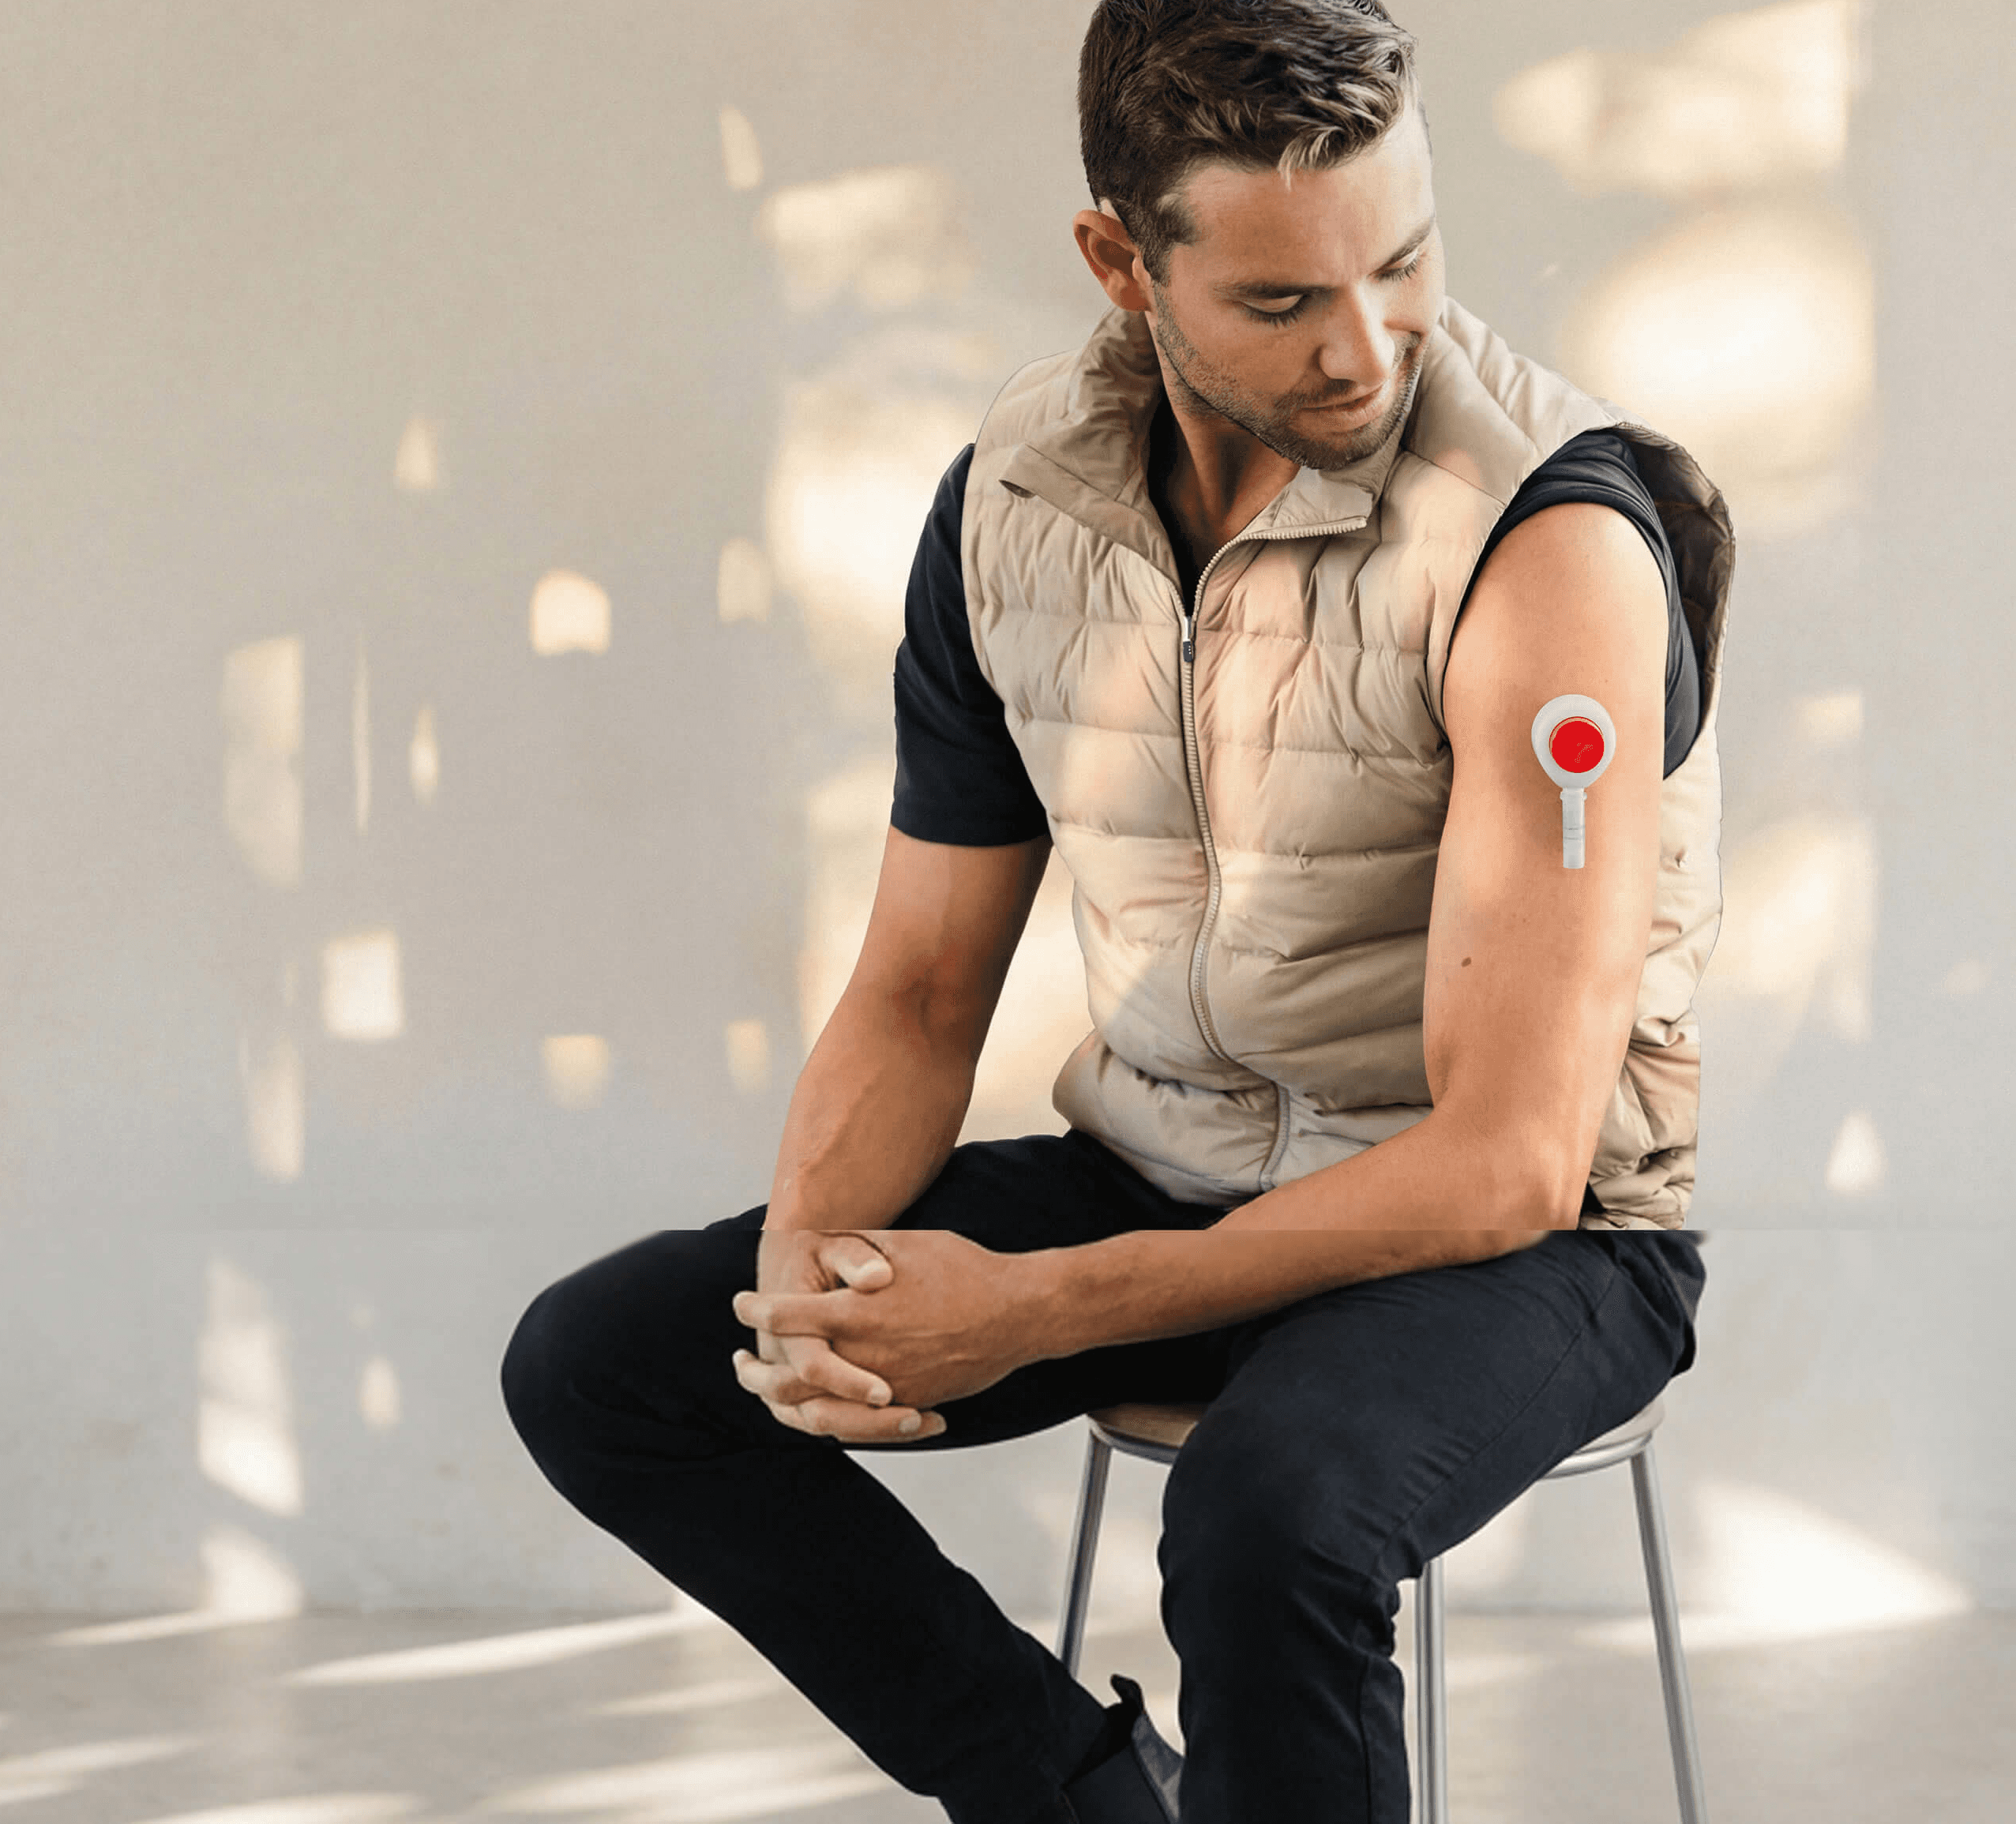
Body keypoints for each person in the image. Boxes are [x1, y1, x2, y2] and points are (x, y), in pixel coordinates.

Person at [502, 2, 1731, 1818]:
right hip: (1176, 1163)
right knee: (613, 1366)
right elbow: (923, 989)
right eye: (1280, 300)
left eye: (1403, 261)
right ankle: (1084, 1801)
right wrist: (806, 1296)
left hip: (1527, 1250)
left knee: (1267, 1517)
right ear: (1119, 263)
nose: (1367, 345)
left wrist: (1033, 1310)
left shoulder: (1545, 542)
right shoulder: (1016, 506)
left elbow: (1510, 1164)